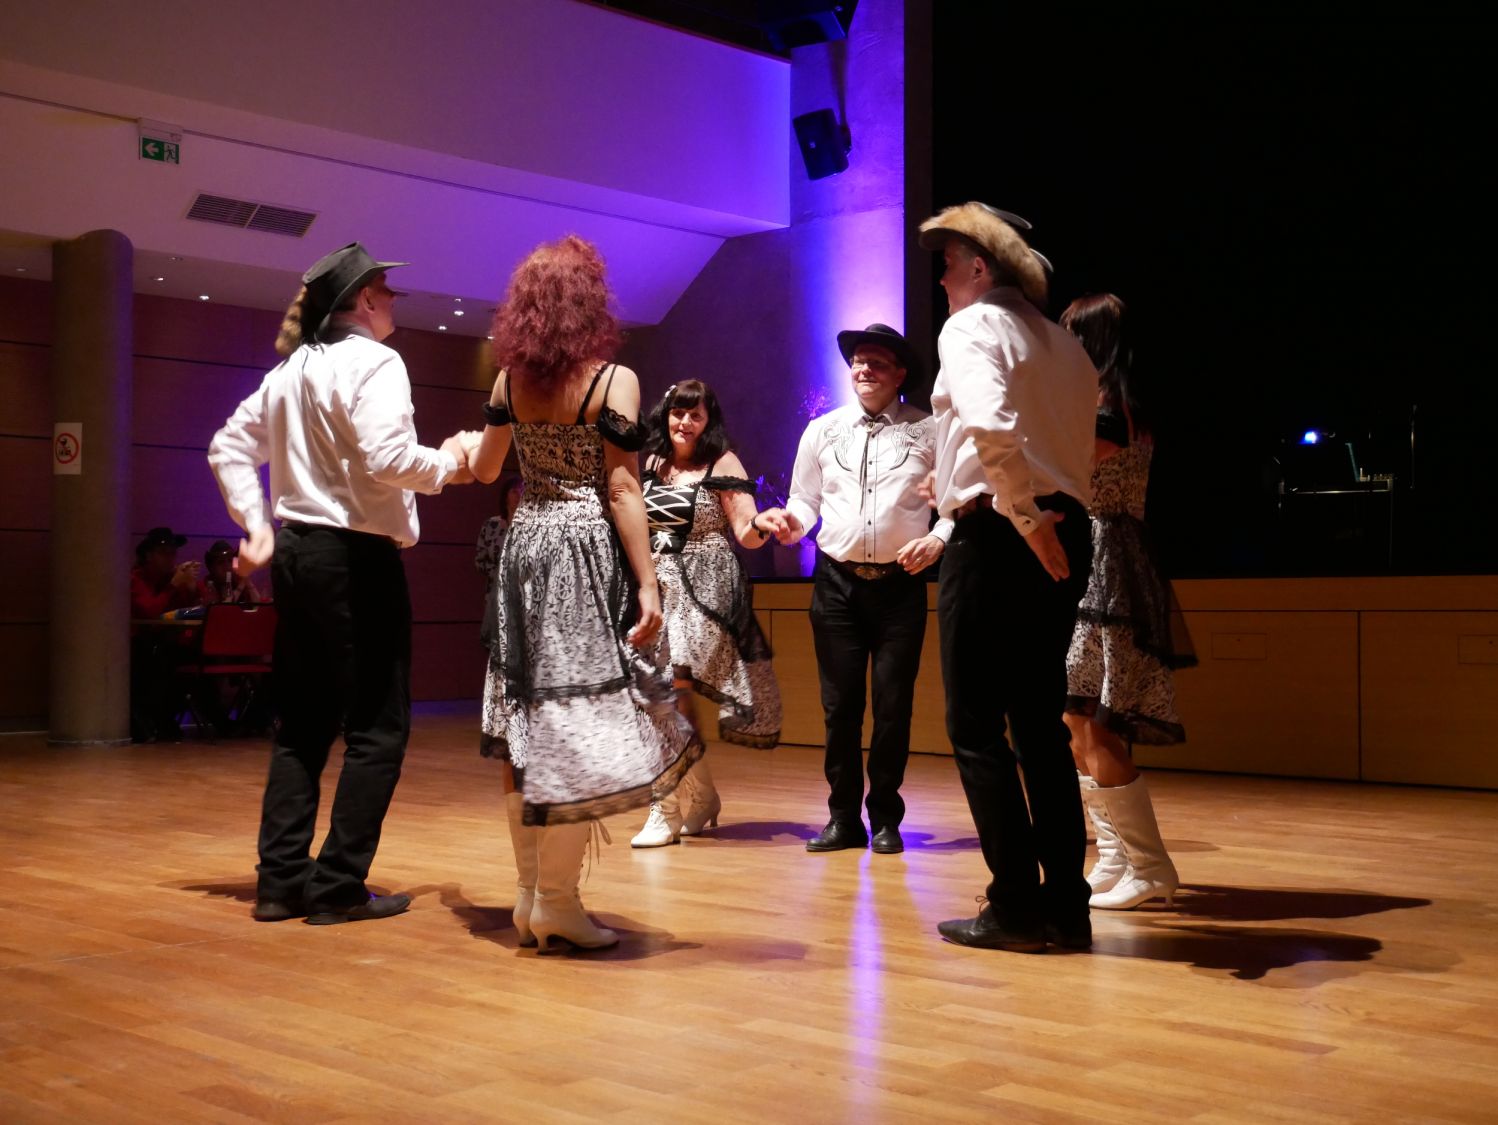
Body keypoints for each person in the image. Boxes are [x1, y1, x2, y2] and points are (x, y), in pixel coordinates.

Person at [208, 242, 474, 925]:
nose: (394, 298)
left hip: (299, 558)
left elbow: (227, 446)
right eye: (387, 288)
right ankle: (335, 887)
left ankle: (279, 884)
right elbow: (389, 458)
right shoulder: (378, 362)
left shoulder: (289, 370)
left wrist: (257, 525)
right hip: (356, 561)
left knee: (302, 725)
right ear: (364, 299)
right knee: (377, 728)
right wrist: (450, 461)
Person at [466, 235, 700, 952]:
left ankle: (528, 897)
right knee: (576, 722)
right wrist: (649, 581)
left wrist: (455, 450)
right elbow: (623, 488)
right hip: (581, 553)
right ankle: (557, 901)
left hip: (524, 548)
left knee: (525, 721)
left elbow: (486, 471)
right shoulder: (613, 382)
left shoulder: (508, 382)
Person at [919, 203, 1099, 952]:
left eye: (947, 265)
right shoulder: (1068, 346)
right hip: (1064, 525)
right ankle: (1067, 908)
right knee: (1038, 725)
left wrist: (1022, 517)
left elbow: (993, 426)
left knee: (974, 725)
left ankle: (1015, 905)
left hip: (1001, 533)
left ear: (979, 266)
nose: (940, 280)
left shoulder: (970, 326)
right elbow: (1067, 447)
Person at [763, 324, 950, 856]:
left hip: (899, 587)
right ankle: (843, 818)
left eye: (876, 362)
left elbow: (955, 503)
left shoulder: (930, 430)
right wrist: (792, 524)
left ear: (900, 374)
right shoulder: (822, 431)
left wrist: (938, 539)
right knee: (840, 707)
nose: (863, 370)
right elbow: (805, 501)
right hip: (837, 584)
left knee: (893, 706)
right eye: (858, 361)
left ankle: (886, 817)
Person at [1059, 293, 1196, 910]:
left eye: (1070, 334)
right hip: (1093, 564)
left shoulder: (1112, 411)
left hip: (1110, 565)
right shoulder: (1099, 405)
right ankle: (1116, 856)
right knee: (1075, 718)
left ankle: (1149, 864)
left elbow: (1064, 466)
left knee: (1099, 719)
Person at [628, 380, 786, 848]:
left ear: (707, 420)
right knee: (665, 699)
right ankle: (702, 796)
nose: (685, 423)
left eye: (695, 415)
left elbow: (745, 530)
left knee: (664, 692)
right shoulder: (653, 463)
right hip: (661, 590)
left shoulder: (723, 462)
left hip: (707, 591)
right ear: (666, 416)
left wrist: (763, 524)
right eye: (678, 413)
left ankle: (664, 810)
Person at [129, 526, 200, 741]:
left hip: (168, 644)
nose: (170, 558)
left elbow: (191, 608)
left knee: (200, 658)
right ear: (148, 555)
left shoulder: (171, 578)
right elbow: (149, 612)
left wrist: (191, 587)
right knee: (159, 661)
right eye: (164, 553)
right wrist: (173, 585)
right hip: (137, 646)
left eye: (173, 553)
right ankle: (156, 722)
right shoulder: (136, 579)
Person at [475, 475, 523, 661]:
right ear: (505, 496)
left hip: (523, 594)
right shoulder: (492, 524)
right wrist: (499, 573)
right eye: (514, 491)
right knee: (497, 647)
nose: (518, 495)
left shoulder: (530, 527)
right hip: (496, 593)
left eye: (522, 491)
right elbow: (480, 560)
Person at [200, 540, 262, 605]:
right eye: (221, 562)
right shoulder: (205, 587)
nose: (227, 566)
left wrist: (247, 580)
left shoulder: (236, 581)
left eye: (230, 561)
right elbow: (224, 607)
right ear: (212, 567)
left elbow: (258, 605)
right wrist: (240, 587)